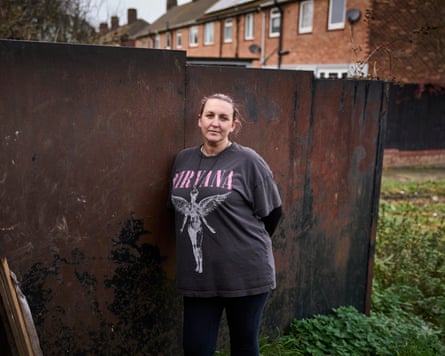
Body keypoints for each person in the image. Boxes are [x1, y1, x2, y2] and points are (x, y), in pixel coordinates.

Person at [169, 93, 282, 356]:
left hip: (246, 274)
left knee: (243, 346)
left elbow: (273, 214)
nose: (215, 123)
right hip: (199, 278)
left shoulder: (249, 161)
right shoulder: (182, 160)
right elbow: (173, 211)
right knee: (196, 348)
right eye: (210, 115)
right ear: (199, 120)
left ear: (234, 125)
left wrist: (237, 247)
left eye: (223, 118)